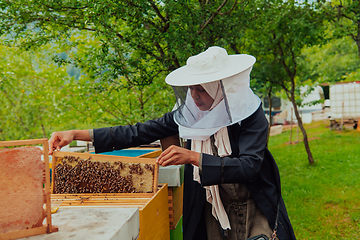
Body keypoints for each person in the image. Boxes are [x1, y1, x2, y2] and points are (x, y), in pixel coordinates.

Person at [49, 46, 296, 240]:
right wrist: (77, 134)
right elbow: (138, 132)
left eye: (201, 89)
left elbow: (249, 166)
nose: (195, 96)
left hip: (252, 201)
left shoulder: (251, 116)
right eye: (190, 89)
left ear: (221, 88)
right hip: (210, 203)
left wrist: (192, 157)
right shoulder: (188, 114)